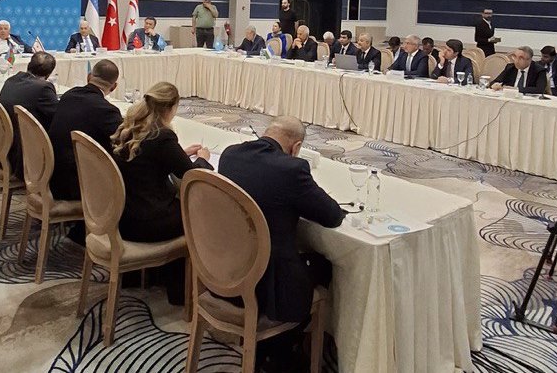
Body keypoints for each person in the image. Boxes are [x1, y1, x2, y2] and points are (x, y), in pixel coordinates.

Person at [218, 116, 343, 371]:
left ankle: (270, 348)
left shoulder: (230, 155)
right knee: (324, 265)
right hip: (266, 285)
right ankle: (282, 348)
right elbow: (331, 215)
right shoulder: (292, 169)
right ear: (296, 147)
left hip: (224, 272)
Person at [111, 82, 211, 304]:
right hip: (147, 221)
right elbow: (193, 176)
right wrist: (203, 158)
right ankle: (181, 291)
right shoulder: (163, 137)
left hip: (121, 215)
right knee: (199, 216)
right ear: (171, 108)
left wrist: (179, 153)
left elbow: (149, 160)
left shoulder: (129, 128)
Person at [48, 59, 122, 202]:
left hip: (52, 173)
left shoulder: (68, 95)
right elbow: (122, 143)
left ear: (89, 77)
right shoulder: (107, 111)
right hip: (79, 184)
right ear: (114, 87)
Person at [0, 51, 60, 175]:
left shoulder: (11, 80)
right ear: (49, 74)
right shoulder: (43, 88)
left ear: (29, 65)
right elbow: (58, 116)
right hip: (26, 154)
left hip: (4, 146)